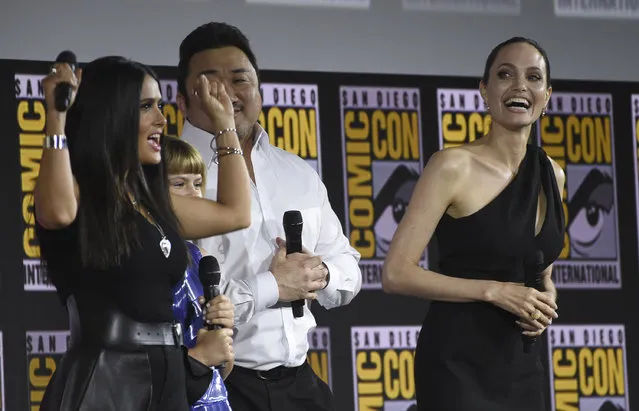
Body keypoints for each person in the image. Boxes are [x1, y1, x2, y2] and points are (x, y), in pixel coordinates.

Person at [34, 55, 250, 410]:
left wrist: (225, 124)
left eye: (161, 106)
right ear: (111, 116)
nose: (162, 120)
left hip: (167, 375)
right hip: (106, 381)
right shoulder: (78, 194)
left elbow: (236, 213)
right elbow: (56, 212)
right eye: (146, 106)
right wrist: (57, 117)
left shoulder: (151, 203)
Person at [177, 22, 362, 411]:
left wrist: (319, 274)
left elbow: (349, 266)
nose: (227, 93)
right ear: (181, 100)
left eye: (240, 80)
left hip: (301, 383)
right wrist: (275, 285)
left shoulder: (297, 172)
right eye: (210, 82)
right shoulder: (168, 181)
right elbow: (185, 306)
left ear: (260, 90)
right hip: (214, 386)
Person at [382, 37, 565, 411]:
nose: (519, 87)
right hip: (456, 365)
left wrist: (546, 301)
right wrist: (494, 291)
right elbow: (396, 274)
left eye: (533, 78)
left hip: (522, 365)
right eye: (505, 75)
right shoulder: (451, 166)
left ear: (546, 96)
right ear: (485, 90)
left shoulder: (553, 175)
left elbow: (541, 268)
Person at [165, 135, 234, 410]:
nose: (194, 195)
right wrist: (198, 357)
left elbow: (221, 370)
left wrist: (223, 330)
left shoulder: (201, 258)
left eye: (197, 184)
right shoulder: (138, 263)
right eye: (179, 184)